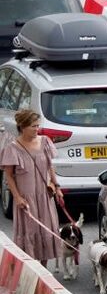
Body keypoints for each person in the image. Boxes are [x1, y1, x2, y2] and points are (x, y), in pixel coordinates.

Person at [2, 110, 62, 267]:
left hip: (44, 196)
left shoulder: (45, 142)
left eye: (38, 126)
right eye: (33, 126)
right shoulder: (12, 148)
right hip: (26, 198)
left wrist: (56, 186)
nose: (37, 129)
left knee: (46, 231)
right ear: (22, 126)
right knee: (30, 232)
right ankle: (31, 269)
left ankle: (44, 268)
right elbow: (8, 175)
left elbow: (50, 166)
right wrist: (17, 197)